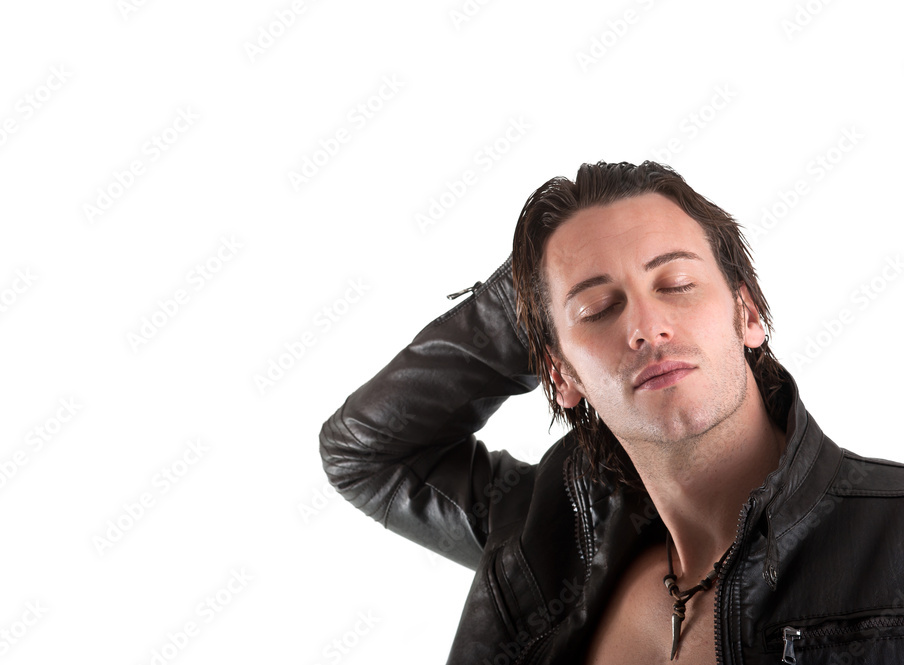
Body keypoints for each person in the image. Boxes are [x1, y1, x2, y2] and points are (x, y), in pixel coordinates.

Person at [318, 161, 904, 664]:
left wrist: (569, 288)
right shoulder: (553, 537)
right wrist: (537, 283)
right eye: (598, 308)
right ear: (560, 375)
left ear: (747, 314)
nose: (647, 328)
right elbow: (366, 452)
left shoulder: (890, 538)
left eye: (675, 282)